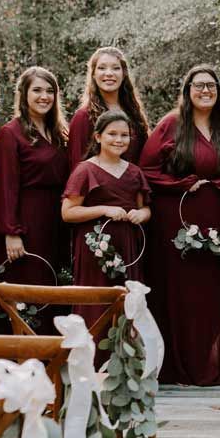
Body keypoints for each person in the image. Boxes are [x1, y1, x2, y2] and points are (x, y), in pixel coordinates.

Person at [141, 65, 220, 387]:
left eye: (211, 86)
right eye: (198, 86)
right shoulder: (172, 124)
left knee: (212, 292)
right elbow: (147, 168)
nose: (204, 91)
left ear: (219, 91)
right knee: (182, 293)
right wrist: (180, 184)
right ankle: (176, 365)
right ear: (187, 91)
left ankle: (204, 363)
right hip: (178, 220)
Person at [62, 110, 151, 326]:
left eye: (124, 135)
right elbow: (68, 213)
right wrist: (103, 209)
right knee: (96, 307)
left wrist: (141, 214)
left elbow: (146, 209)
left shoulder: (135, 172)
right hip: (95, 250)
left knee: (126, 305)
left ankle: (126, 358)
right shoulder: (85, 170)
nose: (119, 140)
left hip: (128, 247)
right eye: (112, 134)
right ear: (98, 136)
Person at [0, 67, 71, 310]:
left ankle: (54, 346)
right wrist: (11, 232)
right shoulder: (10, 133)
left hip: (57, 222)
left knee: (54, 286)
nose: (44, 96)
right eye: (37, 90)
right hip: (27, 222)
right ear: (24, 94)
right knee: (29, 288)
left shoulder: (60, 133)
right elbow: (6, 188)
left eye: (50, 91)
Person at [69, 46, 151, 169]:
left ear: (123, 74)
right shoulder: (84, 117)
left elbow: (145, 158)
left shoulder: (134, 114)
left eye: (116, 68)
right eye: (102, 68)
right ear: (93, 74)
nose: (109, 73)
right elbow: (77, 167)